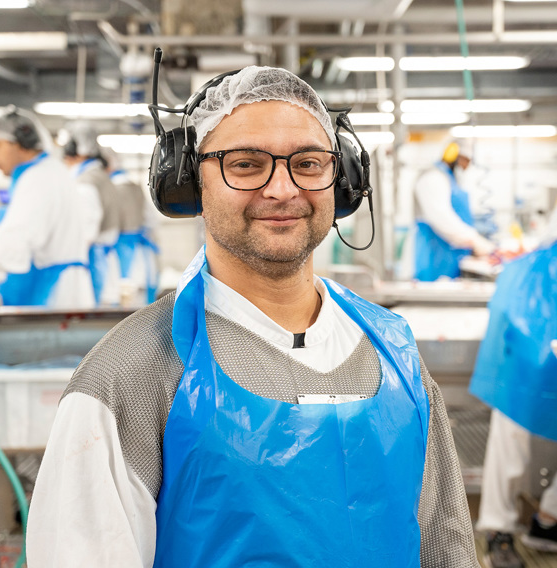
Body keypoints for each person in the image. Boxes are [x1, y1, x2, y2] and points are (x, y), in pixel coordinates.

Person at [26, 66, 479, 567]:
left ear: (343, 180)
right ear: (188, 182)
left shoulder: (393, 351)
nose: (282, 189)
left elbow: (447, 544)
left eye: (308, 163)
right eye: (245, 164)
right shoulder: (129, 376)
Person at [470, 208, 557, 568]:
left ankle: (548, 520)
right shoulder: (533, 271)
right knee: (512, 435)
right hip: (525, 349)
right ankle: (497, 531)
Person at [0, 108, 95, 308]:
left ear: (20, 143)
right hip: (62, 288)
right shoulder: (51, 171)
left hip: (54, 294)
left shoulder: (38, 178)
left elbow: (15, 240)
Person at [413, 139, 495, 281]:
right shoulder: (433, 177)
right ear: (453, 156)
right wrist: (475, 240)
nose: (466, 167)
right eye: (465, 161)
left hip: (453, 257)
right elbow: (441, 218)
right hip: (435, 256)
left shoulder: (451, 180)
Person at [61, 121, 122, 306]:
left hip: (93, 259)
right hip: (104, 256)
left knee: (93, 308)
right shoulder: (101, 175)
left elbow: (88, 229)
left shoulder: (86, 182)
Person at [104, 149, 160, 305]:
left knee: (121, 293)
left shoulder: (111, 187)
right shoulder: (134, 186)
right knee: (138, 295)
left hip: (118, 247)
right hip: (140, 248)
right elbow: (150, 218)